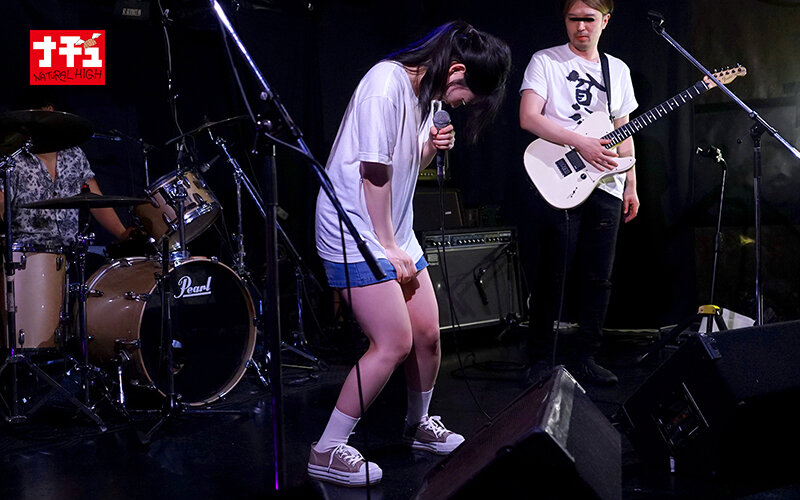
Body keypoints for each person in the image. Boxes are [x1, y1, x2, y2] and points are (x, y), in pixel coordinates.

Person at [311, 21, 511, 486]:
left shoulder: (426, 93)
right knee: (393, 343)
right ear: (456, 71)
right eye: (468, 98)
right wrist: (386, 245)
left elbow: (403, 163)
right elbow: (374, 175)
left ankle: (418, 425)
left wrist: (429, 149)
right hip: (354, 228)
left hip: (392, 229)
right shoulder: (385, 86)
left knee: (426, 333)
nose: (463, 105)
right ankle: (326, 449)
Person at [519, 0, 639, 385]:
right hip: (561, 177)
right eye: (574, 19)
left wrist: (631, 184)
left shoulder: (617, 69)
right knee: (553, 274)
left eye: (589, 19)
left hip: (607, 184)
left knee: (598, 278)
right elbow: (528, 117)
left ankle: (586, 357)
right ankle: (539, 359)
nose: (581, 27)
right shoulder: (546, 61)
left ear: (606, 21)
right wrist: (581, 142)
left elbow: (624, 129)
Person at [0, 99, 134, 249]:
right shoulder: (13, 159)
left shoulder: (74, 154)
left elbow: (95, 200)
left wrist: (122, 234)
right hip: (26, 253)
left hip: (68, 253)